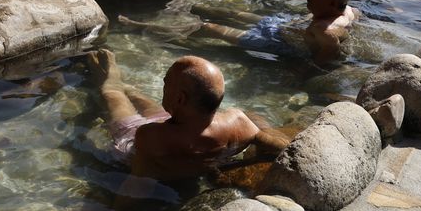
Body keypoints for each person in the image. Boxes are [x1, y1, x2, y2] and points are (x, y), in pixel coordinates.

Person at [86, 51, 290, 182]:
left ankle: (112, 74)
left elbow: (137, 182)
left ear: (181, 99)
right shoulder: (239, 122)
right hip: (179, 119)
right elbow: (276, 143)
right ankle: (126, 87)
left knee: (111, 94)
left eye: (166, 82)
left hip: (147, 128)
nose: (163, 86)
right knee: (137, 97)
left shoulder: (151, 136)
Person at [196, 0, 361, 66]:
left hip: (276, 44)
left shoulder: (323, 30)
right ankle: (192, 8)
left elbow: (327, 53)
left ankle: (173, 32)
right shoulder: (349, 11)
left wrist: (296, 72)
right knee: (230, 13)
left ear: (332, 1)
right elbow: (355, 15)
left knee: (208, 27)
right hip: (283, 25)